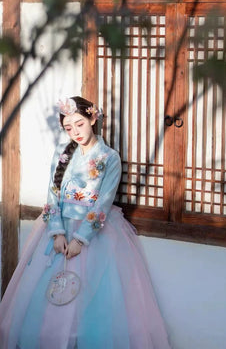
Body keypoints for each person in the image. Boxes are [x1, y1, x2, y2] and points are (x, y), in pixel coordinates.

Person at [0, 96, 171, 349]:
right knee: (49, 295)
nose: (75, 132)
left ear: (93, 118)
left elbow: (103, 202)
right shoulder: (62, 155)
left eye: (79, 124)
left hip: (93, 232)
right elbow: (52, 196)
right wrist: (57, 233)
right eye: (69, 128)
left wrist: (81, 239)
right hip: (60, 230)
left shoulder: (109, 157)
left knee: (94, 299)